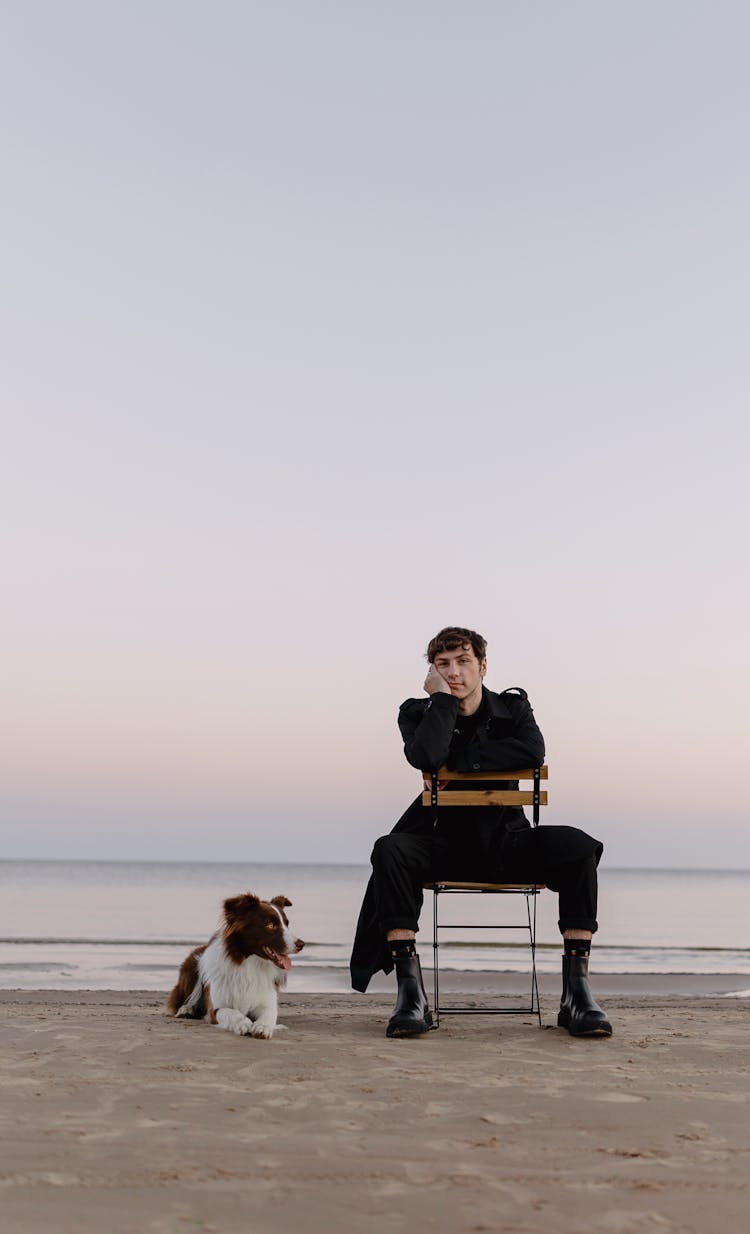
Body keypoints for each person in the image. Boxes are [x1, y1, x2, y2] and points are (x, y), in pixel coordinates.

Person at [350, 625, 612, 1040]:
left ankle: (577, 995)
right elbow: (425, 755)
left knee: (578, 845)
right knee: (390, 849)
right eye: (443, 665)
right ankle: (411, 995)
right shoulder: (417, 713)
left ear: (483, 666)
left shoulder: (514, 710)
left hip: (509, 844)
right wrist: (440, 703)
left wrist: (462, 760)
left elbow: (532, 750)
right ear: (432, 672)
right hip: (444, 845)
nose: (454, 672)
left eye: (463, 662)